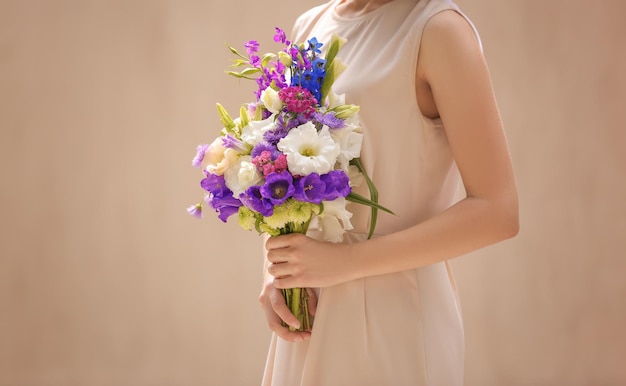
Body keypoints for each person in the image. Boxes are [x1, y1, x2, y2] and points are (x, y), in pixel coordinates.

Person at [259, 0, 519, 384]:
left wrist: (346, 262)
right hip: (309, 304)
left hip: (397, 308)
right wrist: (273, 271)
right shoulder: (310, 25)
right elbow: (282, 167)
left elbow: (498, 210)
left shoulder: (437, 31)